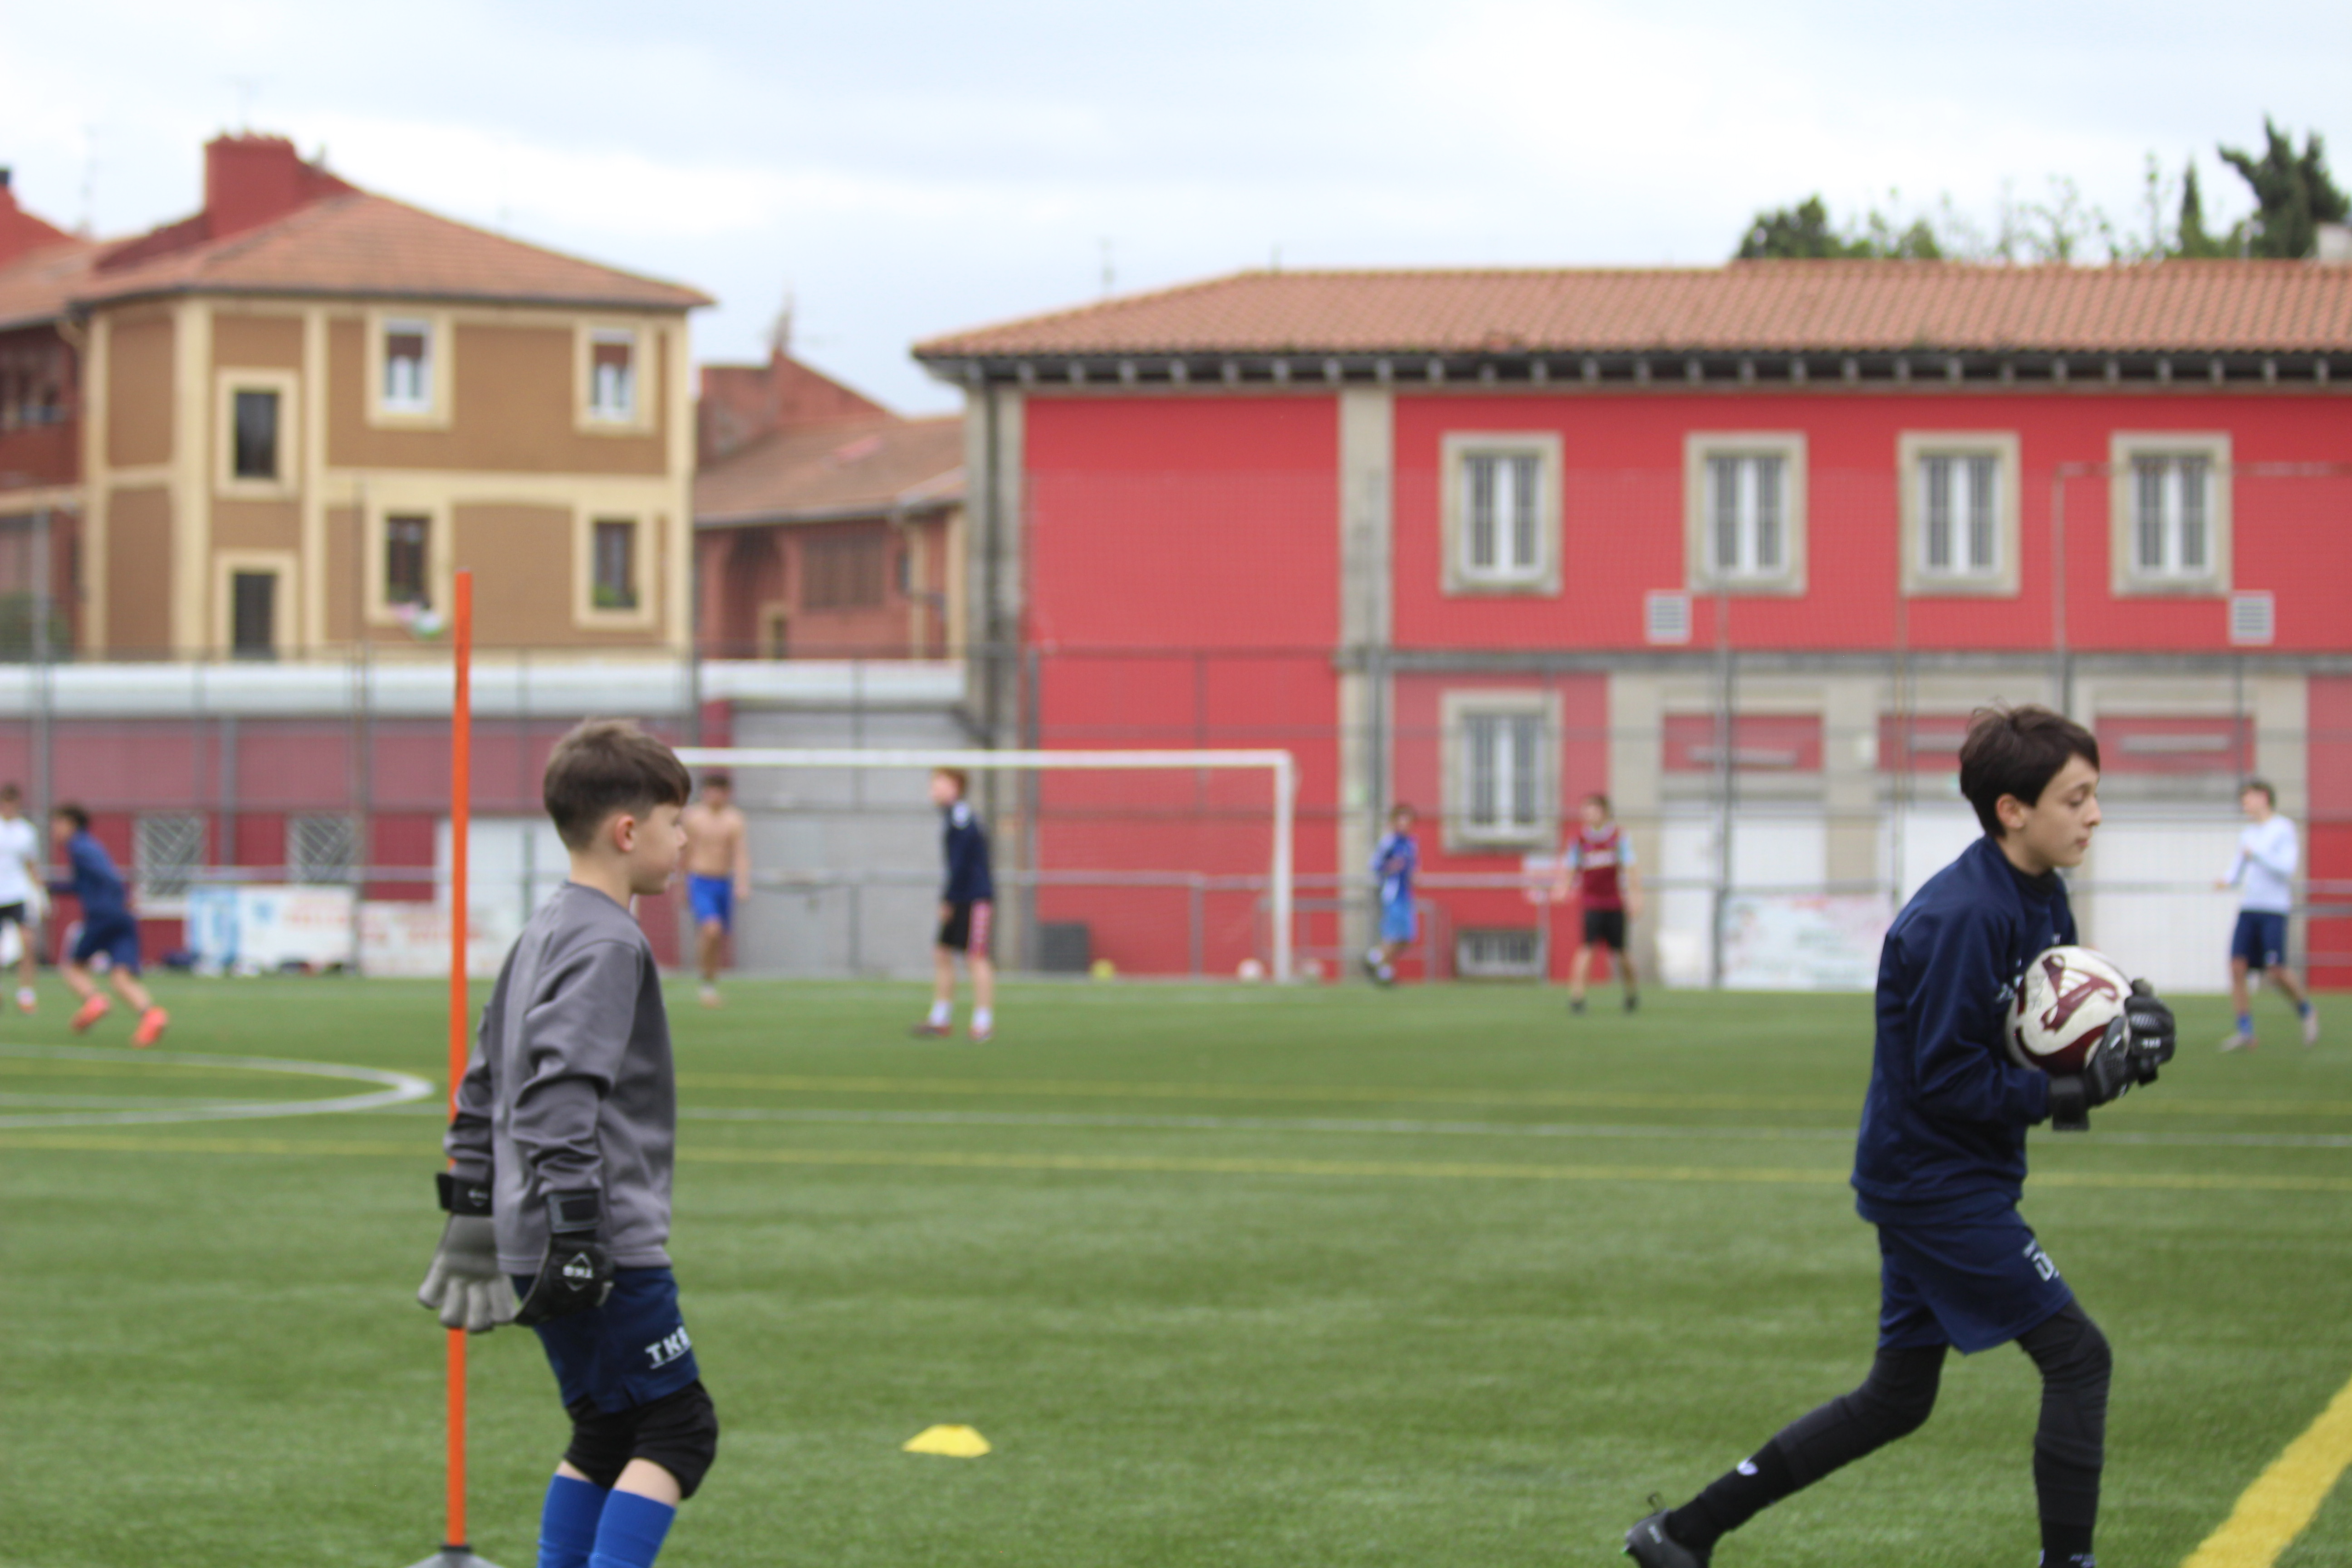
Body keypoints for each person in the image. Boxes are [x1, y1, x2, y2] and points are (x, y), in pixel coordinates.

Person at [1624, 706, 2176, 1568]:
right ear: (2011, 811)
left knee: (1896, 1399)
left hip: (1959, 1175)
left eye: (2093, 794)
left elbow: (2034, 1046)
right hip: (1931, 1185)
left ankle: (1681, 1534)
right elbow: (1946, 1081)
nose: (2094, 815)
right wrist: (2071, 1092)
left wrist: (2119, 1045)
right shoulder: (1962, 916)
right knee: (2079, 1358)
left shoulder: (2042, 895)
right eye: (2075, 798)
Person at [416, 719, 717, 1568]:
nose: (684, 840)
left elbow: (481, 1082)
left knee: (606, 1427)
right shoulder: (609, 941)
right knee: (677, 1429)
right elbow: (555, 1095)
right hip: (594, 1237)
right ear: (627, 832)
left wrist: (475, 1209)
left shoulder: (545, 926)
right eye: (673, 822)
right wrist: (579, 1229)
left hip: (535, 1230)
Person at [47, 804, 167, 1047]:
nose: (54, 830)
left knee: (73, 968)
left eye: (57, 824)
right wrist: (51, 887)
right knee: (121, 977)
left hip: (103, 916)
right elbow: (83, 884)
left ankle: (95, 1001)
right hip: (122, 915)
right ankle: (152, 1015)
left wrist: (116, 895)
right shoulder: (90, 846)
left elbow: (105, 875)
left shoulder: (79, 847)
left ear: (71, 824)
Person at [2216, 778, 2318, 1051]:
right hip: (2249, 908)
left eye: (2248, 798)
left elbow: (2287, 868)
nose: (2245, 805)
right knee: (2237, 967)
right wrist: (2226, 880)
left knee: (2276, 972)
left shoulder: (2283, 828)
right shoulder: (2248, 833)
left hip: (2273, 910)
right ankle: (2245, 1031)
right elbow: (2237, 869)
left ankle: (2307, 1011)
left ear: (2263, 797)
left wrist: (2258, 854)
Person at [912, 767, 995, 1042]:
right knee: (942, 953)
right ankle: (940, 1018)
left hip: (974, 898)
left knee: (976, 958)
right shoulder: (951, 817)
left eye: (940, 784)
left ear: (956, 787)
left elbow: (960, 865)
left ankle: (983, 1022)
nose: (934, 790)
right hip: (960, 896)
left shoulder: (961, 818)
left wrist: (949, 899)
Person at [680, 771, 751, 1008]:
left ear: (727, 794)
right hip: (700, 880)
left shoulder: (734, 820)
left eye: (719, 791)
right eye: (709, 790)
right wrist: (682, 885)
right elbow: (685, 852)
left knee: (718, 936)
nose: (714, 796)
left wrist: (742, 882)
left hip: (723, 882)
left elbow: (740, 853)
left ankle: (710, 981)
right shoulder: (693, 817)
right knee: (711, 929)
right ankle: (706, 985)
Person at [1565, 793, 1641, 1014]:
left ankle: (1632, 993)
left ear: (1605, 813)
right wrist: (1563, 888)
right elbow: (1570, 867)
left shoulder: (1618, 838)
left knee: (1621, 952)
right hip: (1591, 903)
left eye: (1594, 810)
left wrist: (1636, 898)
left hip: (1614, 904)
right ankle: (1577, 997)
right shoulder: (1579, 839)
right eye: (1586, 811)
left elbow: (1631, 869)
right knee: (1587, 948)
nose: (1588, 815)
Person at [1363, 803, 1419, 985]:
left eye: (1408, 822)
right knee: (1393, 935)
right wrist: (1390, 867)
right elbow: (1374, 865)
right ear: (1394, 822)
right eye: (1401, 821)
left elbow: (1412, 868)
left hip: (1406, 894)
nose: (1404, 825)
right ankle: (1378, 965)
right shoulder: (1389, 842)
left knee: (1406, 938)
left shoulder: (1410, 844)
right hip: (1392, 895)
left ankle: (1377, 962)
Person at [0, 784, 44, 1012]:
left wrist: (41, 893)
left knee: (28, 942)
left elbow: (31, 864)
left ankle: (26, 993)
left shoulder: (26, 831)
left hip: (17, 894)